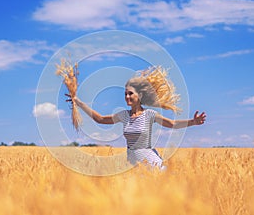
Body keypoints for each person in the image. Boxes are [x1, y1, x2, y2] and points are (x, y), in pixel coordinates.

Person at [66, 66, 206, 170]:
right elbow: (101, 119)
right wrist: (79, 103)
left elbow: (172, 124)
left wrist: (193, 122)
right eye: (125, 94)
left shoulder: (149, 114)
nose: (127, 97)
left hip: (151, 165)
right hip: (133, 165)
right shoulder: (124, 115)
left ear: (139, 96)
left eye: (130, 94)